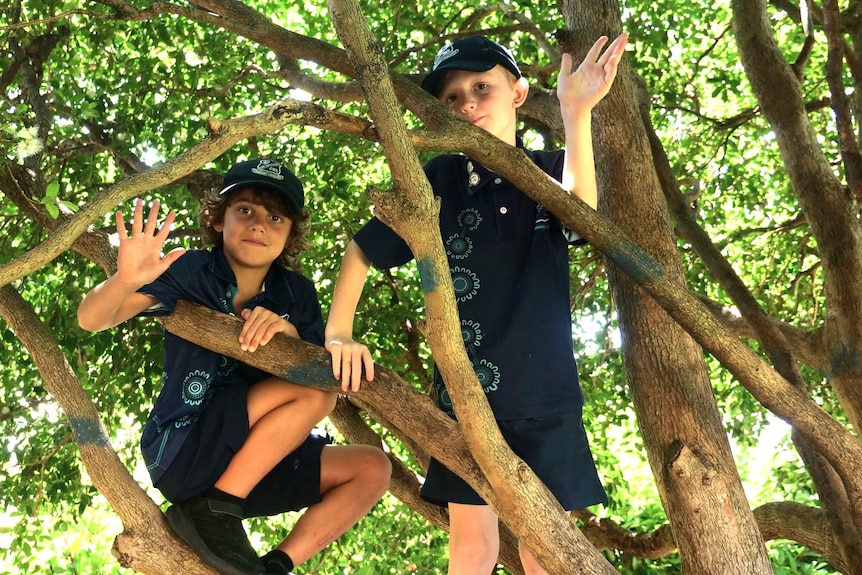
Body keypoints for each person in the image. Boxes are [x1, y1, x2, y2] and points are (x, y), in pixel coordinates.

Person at [324, 34, 627, 574]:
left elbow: (582, 215)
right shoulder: (439, 179)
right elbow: (363, 248)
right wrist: (339, 333)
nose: (467, 102)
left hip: (547, 395)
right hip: (465, 399)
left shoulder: (552, 171)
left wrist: (575, 112)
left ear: (518, 93)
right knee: (470, 547)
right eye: (452, 96)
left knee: (545, 551)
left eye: (481, 87)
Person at [78, 158, 392, 575]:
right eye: (245, 210)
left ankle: (272, 567)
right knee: (317, 391)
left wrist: (289, 336)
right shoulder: (191, 269)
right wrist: (125, 280)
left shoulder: (296, 294)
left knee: (373, 467)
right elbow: (93, 319)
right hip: (187, 448)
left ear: (291, 235)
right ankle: (213, 510)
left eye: (275, 217)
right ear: (217, 219)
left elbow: (320, 366)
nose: (258, 225)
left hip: (257, 461)